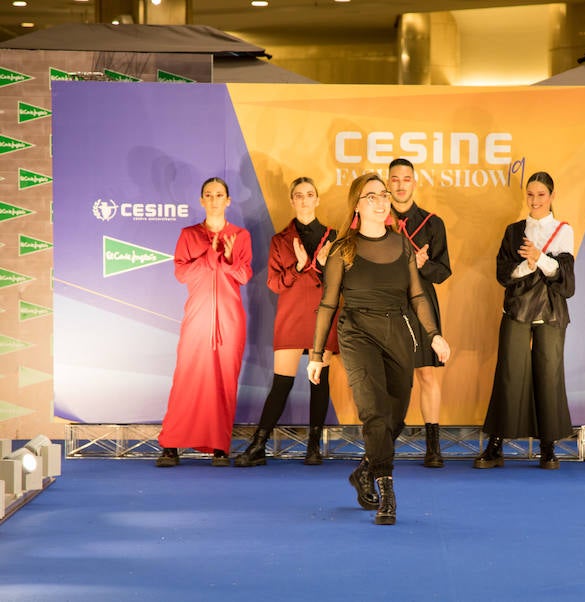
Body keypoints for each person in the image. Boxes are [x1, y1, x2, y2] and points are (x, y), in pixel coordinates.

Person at [307, 173, 451, 526]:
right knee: (374, 412)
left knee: (395, 417)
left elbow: (417, 295)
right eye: (371, 195)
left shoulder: (402, 246)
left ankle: (364, 470)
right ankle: (387, 492)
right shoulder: (343, 249)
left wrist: (434, 335)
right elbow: (327, 304)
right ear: (357, 205)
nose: (381, 200)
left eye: (384, 194)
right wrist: (315, 355)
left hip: (399, 332)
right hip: (357, 333)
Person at [233, 177, 338, 468]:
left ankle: (314, 446)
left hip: (322, 315)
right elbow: (275, 284)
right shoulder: (280, 240)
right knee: (281, 383)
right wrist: (300, 267)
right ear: (292, 201)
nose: (304, 200)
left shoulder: (334, 237)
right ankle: (258, 445)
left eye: (309, 194)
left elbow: (340, 284)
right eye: (299, 196)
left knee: (319, 381)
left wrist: (324, 264)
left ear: (317, 199)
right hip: (291, 316)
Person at [474, 171, 574, 470]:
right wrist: (529, 264)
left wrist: (540, 258)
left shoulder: (563, 230)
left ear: (552, 196)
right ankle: (495, 445)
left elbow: (566, 281)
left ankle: (548, 447)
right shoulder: (514, 230)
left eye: (541, 194)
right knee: (509, 375)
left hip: (551, 312)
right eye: (530, 194)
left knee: (549, 377)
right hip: (517, 310)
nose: (535, 200)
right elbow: (503, 273)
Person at [157, 177, 252, 467]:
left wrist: (226, 258)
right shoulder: (189, 235)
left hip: (229, 318)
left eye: (219, 194)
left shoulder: (241, 236)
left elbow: (244, 276)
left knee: (224, 381)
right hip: (197, 316)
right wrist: (211, 254)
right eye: (208, 195)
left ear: (228, 201)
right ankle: (171, 445)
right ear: (201, 201)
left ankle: (220, 446)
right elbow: (182, 274)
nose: (214, 199)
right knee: (187, 377)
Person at [387, 158, 452, 468]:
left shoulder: (432, 223)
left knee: (426, 374)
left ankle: (433, 445)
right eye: (395, 179)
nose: (400, 184)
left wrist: (424, 265)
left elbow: (444, 272)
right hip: (387, 305)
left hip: (422, 305)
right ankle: (383, 442)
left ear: (414, 182)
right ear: (388, 182)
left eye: (406, 179)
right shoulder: (375, 219)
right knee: (389, 377)